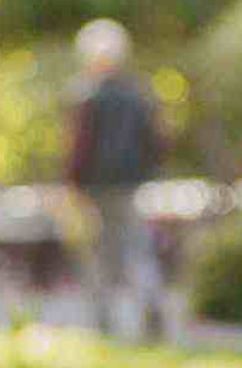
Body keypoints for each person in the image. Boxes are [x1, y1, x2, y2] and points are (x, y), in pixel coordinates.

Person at [63, 19, 169, 340]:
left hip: (95, 184)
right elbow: (156, 141)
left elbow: (79, 146)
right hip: (130, 183)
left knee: (100, 251)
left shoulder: (85, 94)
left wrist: (71, 183)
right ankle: (147, 304)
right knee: (135, 247)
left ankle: (103, 319)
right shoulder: (138, 94)